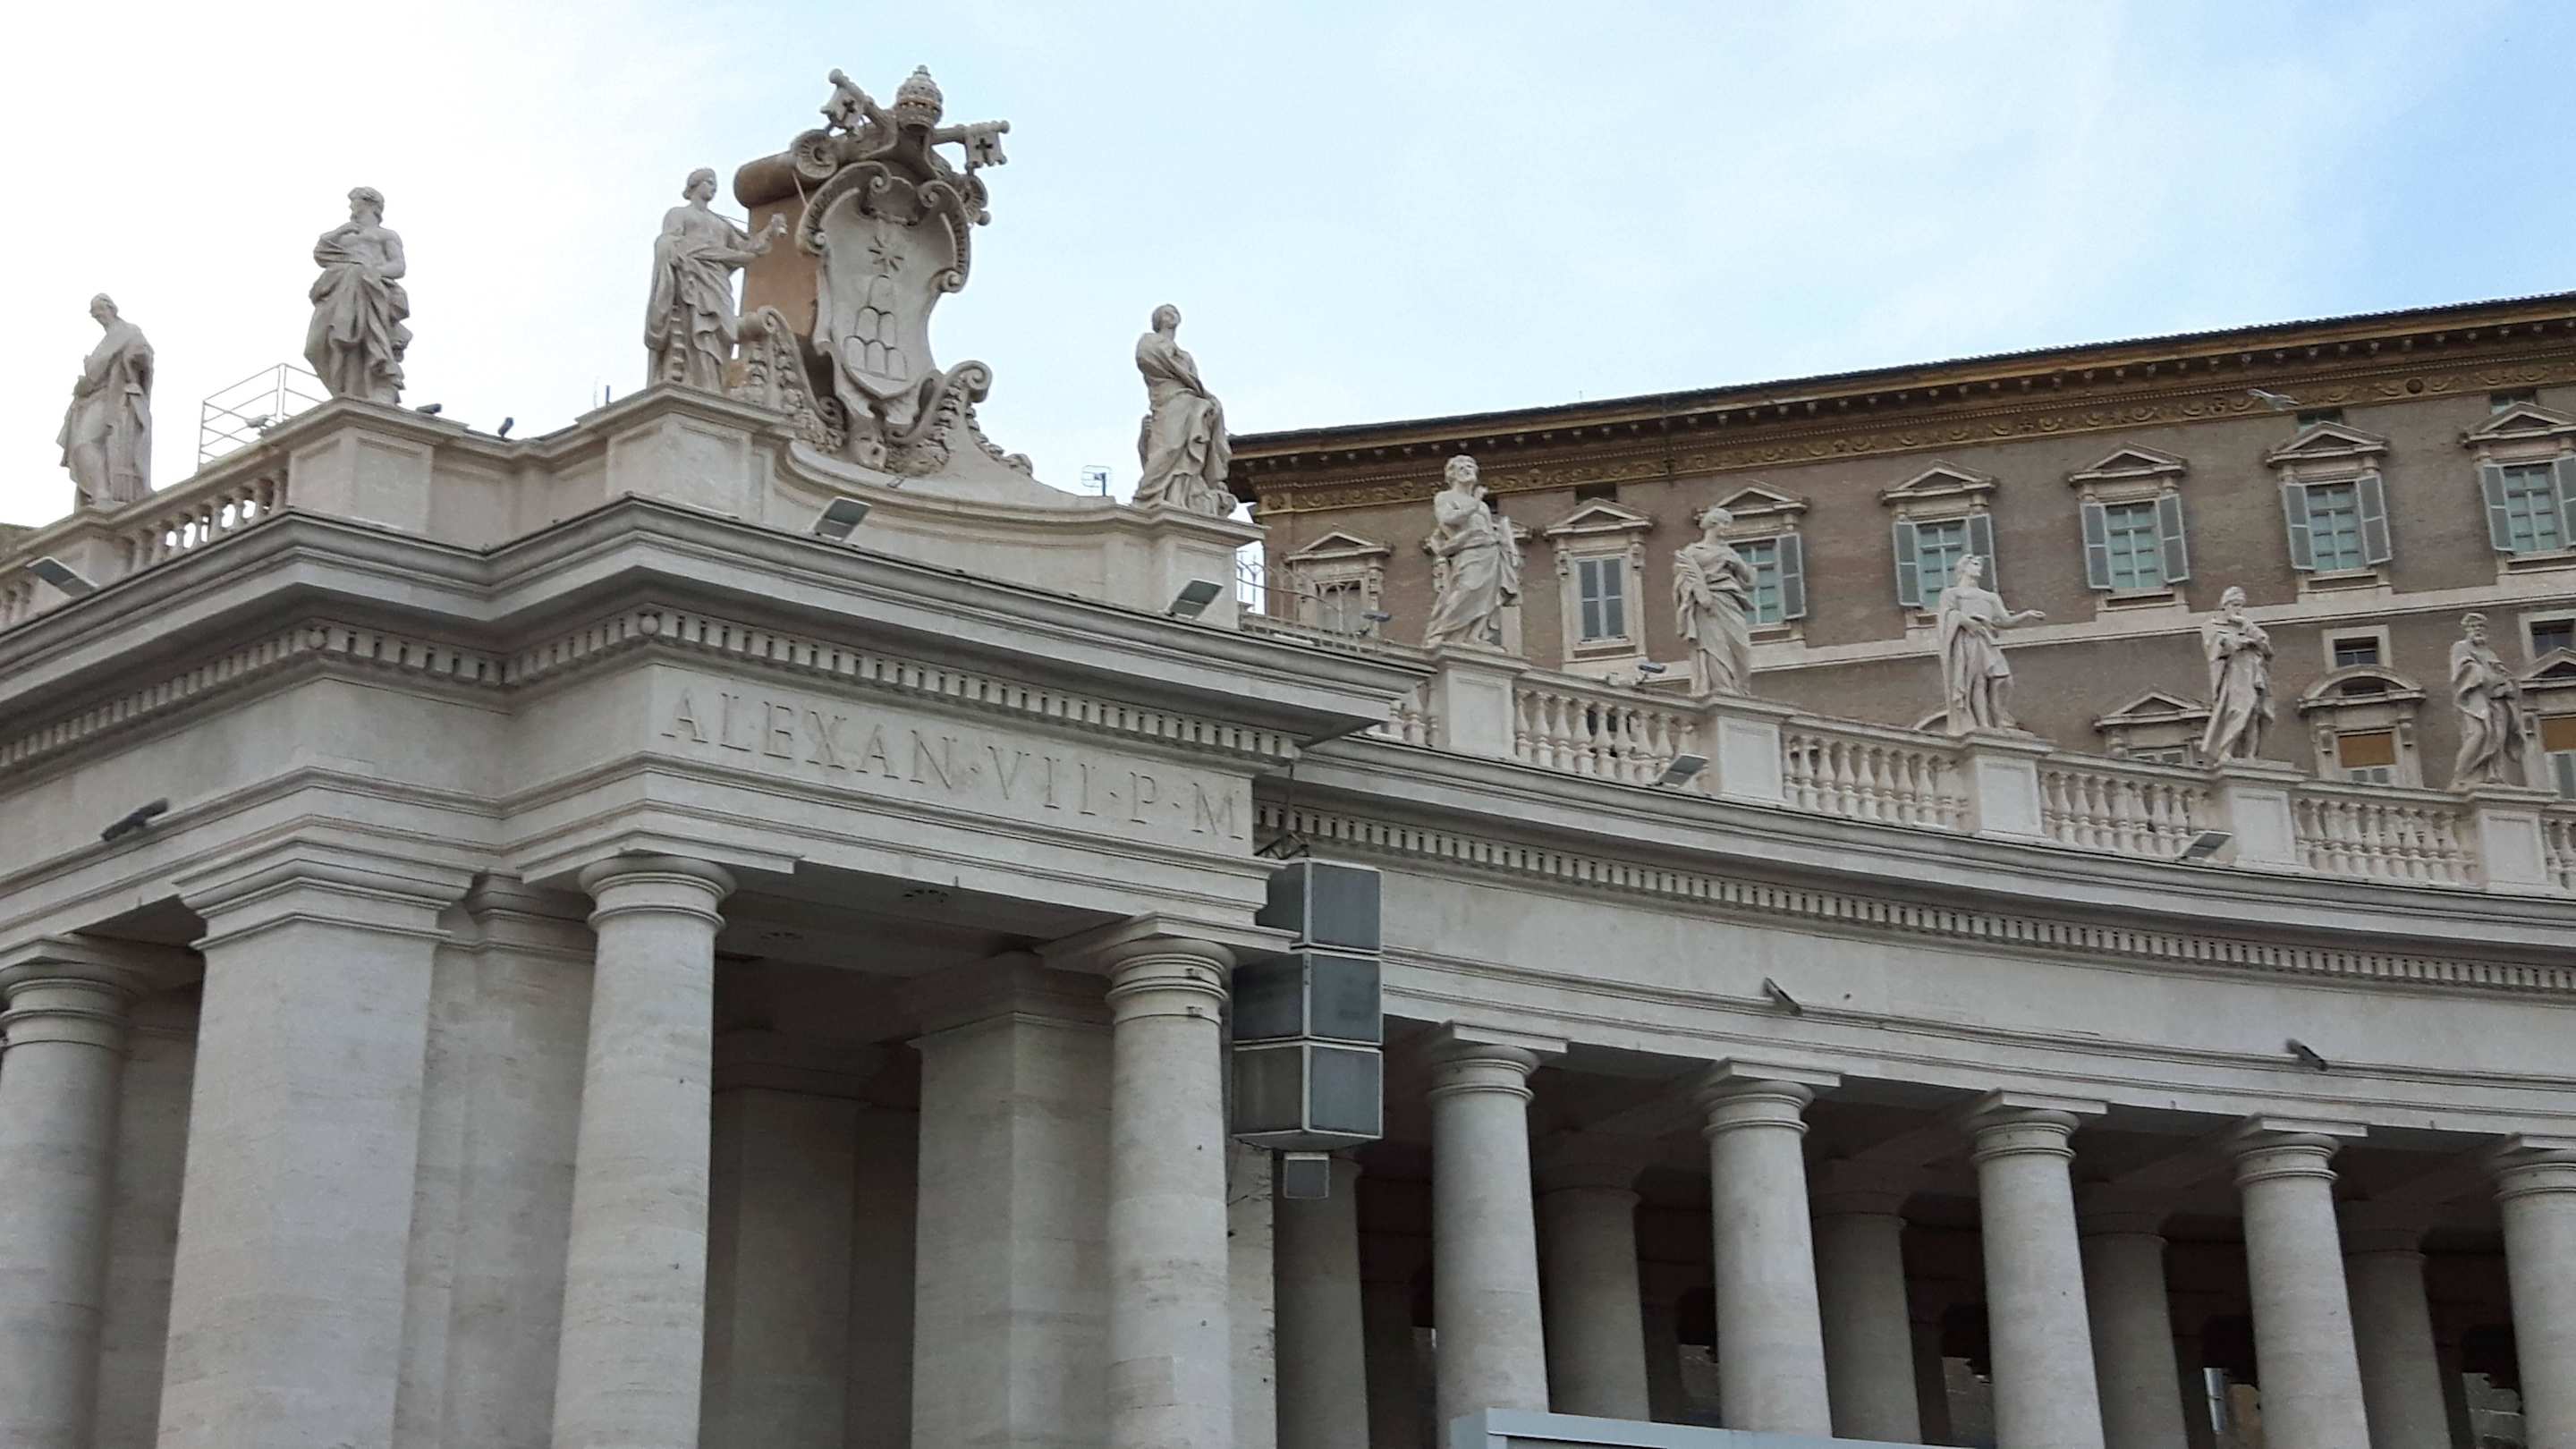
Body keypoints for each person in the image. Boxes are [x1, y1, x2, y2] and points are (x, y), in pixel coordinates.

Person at [647, 168, 790, 391]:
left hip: (718, 284)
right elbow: (667, 243)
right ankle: (696, 382)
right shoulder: (678, 214)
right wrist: (700, 253)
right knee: (696, 328)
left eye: (715, 184)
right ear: (694, 185)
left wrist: (770, 230)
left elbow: (747, 248)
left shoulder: (721, 224)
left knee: (722, 333)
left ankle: (714, 384)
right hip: (693, 281)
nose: (713, 188)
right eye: (709, 182)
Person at [305, 187, 411, 403]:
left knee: (363, 337)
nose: (351, 206)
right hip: (337, 287)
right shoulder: (345, 234)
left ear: (369, 203)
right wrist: (342, 230)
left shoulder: (386, 235)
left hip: (370, 289)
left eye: (354, 201)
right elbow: (321, 253)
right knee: (316, 346)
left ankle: (374, 387)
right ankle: (345, 389)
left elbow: (398, 266)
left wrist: (370, 272)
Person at [1132, 304, 1232, 515]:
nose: (1171, 315)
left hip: (1189, 400)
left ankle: (1180, 495)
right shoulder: (1148, 341)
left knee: (1188, 444)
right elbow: (1148, 360)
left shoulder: (1186, 356)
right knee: (1169, 445)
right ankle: (1148, 494)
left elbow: (1194, 379)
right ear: (1157, 320)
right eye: (1165, 313)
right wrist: (1184, 376)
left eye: (1174, 312)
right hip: (1168, 399)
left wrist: (1203, 394)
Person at [58, 293, 153, 510]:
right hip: (94, 398)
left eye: (98, 309)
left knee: (84, 443)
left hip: (114, 397)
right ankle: (100, 492)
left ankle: (102, 493)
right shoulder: (104, 341)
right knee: (82, 446)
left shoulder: (129, 331)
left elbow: (144, 359)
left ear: (111, 308)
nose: (96, 315)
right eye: (93, 312)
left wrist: (132, 360)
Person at [1935, 554, 2043, 733]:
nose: (1979, 568)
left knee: (2004, 681)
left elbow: (2004, 621)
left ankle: (1999, 720)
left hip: (1987, 640)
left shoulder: (1990, 597)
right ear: (1963, 568)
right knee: (1977, 681)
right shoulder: (1952, 594)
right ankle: (1984, 724)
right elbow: (1946, 616)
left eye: (1979, 565)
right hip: (1968, 640)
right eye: (1975, 564)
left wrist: (2027, 614)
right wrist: (1965, 621)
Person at [1421, 455, 1521, 648]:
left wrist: (1506, 542)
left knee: (1487, 598)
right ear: (1452, 474)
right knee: (1466, 589)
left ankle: (1474, 636)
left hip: (1490, 551)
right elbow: (1448, 519)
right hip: (1469, 552)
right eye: (1462, 468)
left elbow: (1486, 527)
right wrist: (1475, 501)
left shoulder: (1483, 506)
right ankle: (1442, 633)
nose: (1467, 470)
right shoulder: (1445, 497)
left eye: (1470, 466)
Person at [1674, 505, 1757, 696]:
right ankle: (1723, 686)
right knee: (1715, 645)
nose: (1727, 528)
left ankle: (1739, 687)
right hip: (1706, 606)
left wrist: (1738, 564)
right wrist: (1699, 594)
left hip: (1730, 600)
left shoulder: (1730, 552)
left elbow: (1750, 581)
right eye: (1724, 523)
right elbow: (1681, 581)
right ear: (1712, 524)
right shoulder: (1692, 551)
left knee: (1740, 646)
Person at [2451, 612, 2531, 789]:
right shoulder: (2461, 647)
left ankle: (2494, 775)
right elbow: (2464, 670)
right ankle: (2461, 776)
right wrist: (2486, 675)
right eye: (2474, 627)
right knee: (2479, 734)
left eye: (2481, 627)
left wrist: (2506, 681)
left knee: (2499, 738)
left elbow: (2502, 674)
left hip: (2498, 700)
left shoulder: (2489, 652)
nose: (2478, 630)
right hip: (2475, 700)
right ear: (2467, 629)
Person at [2197, 586, 2273, 761]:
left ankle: (2250, 755)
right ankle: (2226, 751)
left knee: (2254, 713)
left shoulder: (2247, 625)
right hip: (2234, 674)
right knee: (2237, 710)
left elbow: (2266, 647)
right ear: (2225, 605)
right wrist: (2243, 642)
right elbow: (2217, 647)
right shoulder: (2211, 626)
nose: (2238, 609)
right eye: (2235, 605)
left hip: (2253, 673)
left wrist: (2247, 626)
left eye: (2241, 605)